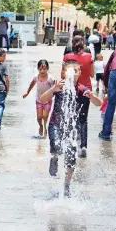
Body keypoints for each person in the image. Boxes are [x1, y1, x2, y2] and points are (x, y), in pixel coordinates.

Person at [40, 59, 82, 198]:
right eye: (69, 71)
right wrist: (53, 89)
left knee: (71, 157)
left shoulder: (81, 88)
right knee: (56, 146)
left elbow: (98, 103)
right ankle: (54, 157)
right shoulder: (58, 86)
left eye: (75, 71)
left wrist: (94, 97)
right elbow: (42, 99)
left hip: (72, 129)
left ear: (80, 73)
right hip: (55, 124)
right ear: (62, 73)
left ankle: (66, 185)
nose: (72, 74)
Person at [63, 36, 94, 157]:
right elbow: (92, 74)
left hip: (72, 89)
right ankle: (84, 145)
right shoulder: (88, 57)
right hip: (86, 89)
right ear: (83, 44)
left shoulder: (67, 57)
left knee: (71, 116)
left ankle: (73, 142)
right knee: (83, 118)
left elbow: (63, 74)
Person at [22, 60, 55, 138]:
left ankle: (46, 128)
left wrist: (53, 93)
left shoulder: (50, 78)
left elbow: (55, 86)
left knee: (45, 116)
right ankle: (41, 126)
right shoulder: (36, 77)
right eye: (40, 69)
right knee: (39, 117)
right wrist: (27, 92)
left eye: (44, 69)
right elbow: (32, 84)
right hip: (39, 100)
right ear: (37, 69)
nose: (42, 71)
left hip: (48, 100)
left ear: (47, 69)